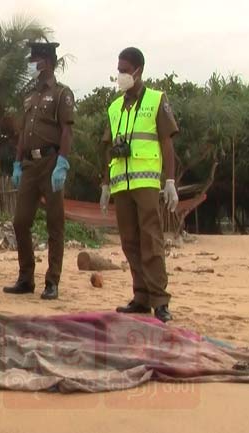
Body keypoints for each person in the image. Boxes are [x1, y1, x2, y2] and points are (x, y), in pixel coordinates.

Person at [100, 47, 179, 323]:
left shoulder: (157, 100)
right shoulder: (114, 106)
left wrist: (169, 181)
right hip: (121, 185)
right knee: (130, 242)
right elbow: (108, 147)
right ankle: (141, 296)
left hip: (146, 183)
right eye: (118, 69)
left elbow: (167, 142)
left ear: (138, 70)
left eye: (124, 69)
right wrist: (105, 183)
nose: (120, 74)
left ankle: (160, 300)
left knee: (151, 240)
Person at [3, 41, 74, 300]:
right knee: (20, 221)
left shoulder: (61, 94)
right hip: (30, 166)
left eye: (36, 59)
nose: (32, 64)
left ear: (49, 62)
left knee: (55, 224)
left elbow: (66, 130)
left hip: (51, 162)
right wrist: (17, 161)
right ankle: (26, 277)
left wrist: (62, 162)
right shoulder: (29, 96)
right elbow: (23, 133)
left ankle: (52, 281)